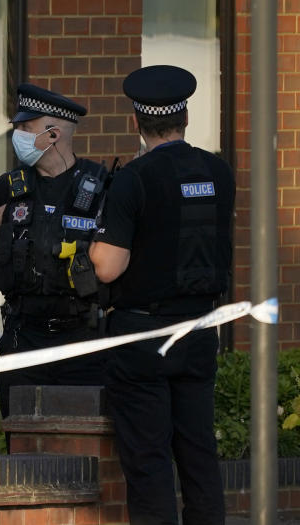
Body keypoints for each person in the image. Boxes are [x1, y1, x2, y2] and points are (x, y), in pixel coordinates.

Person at [89, 65, 234, 525]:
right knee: (198, 454)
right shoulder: (218, 171)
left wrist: (93, 246)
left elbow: (110, 265)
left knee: (149, 462)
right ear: (186, 117)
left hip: (142, 334)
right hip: (198, 328)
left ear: (136, 121)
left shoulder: (134, 179)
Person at [0, 83, 109, 419]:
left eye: (25, 127)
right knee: (21, 445)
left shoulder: (101, 186)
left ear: (52, 135)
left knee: (83, 448)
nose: (17, 134)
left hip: (83, 341)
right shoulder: (9, 186)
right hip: (24, 339)